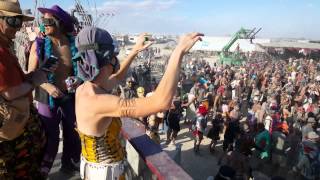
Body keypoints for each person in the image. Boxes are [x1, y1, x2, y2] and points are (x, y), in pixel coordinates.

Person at [75, 27, 203, 179]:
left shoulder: (86, 89)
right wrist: (178, 52)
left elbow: (117, 77)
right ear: (107, 58)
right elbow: (161, 102)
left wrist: (135, 50)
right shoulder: (98, 101)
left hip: (98, 170)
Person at [0, 0, 55, 178]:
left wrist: (32, 76)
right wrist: (34, 82)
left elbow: (12, 83)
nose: (18, 27)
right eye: (13, 21)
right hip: (12, 135)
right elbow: (9, 93)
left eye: (20, 22)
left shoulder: (5, 47)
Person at [28, 5, 81, 175]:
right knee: (49, 137)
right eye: (42, 21)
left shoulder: (75, 44)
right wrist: (47, 86)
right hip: (46, 97)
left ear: (60, 23)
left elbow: (82, 72)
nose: (44, 24)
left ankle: (68, 165)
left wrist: (77, 80)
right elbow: (30, 75)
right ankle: (43, 171)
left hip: (69, 97)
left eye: (48, 21)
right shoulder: (40, 45)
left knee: (72, 134)